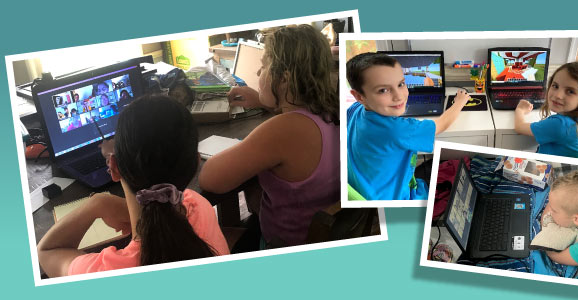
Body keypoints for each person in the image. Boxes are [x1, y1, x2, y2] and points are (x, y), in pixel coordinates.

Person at [37, 95, 229, 277]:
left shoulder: (104, 273)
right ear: (195, 163)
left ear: (113, 167)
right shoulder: (200, 205)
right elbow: (162, 208)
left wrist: (98, 203)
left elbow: (47, 250)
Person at [198, 25, 338, 248]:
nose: (257, 73)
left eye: (263, 66)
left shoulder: (283, 130)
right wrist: (266, 102)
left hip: (284, 246)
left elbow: (209, 178)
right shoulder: (332, 110)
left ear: (284, 79)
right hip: (323, 235)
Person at [346, 52, 470, 200]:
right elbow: (441, 124)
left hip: (367, 188)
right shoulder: (397, 129)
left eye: (401, 84)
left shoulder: (355, 110)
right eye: (383, 90)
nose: (399, 96)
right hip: (395, 198)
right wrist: (460, 102)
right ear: (359, 96)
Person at [514, 62, 578, 158]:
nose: (558, 95)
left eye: (570, 91)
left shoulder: (560, 125)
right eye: (555, 86)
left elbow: (519, 127)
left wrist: (520, 110)